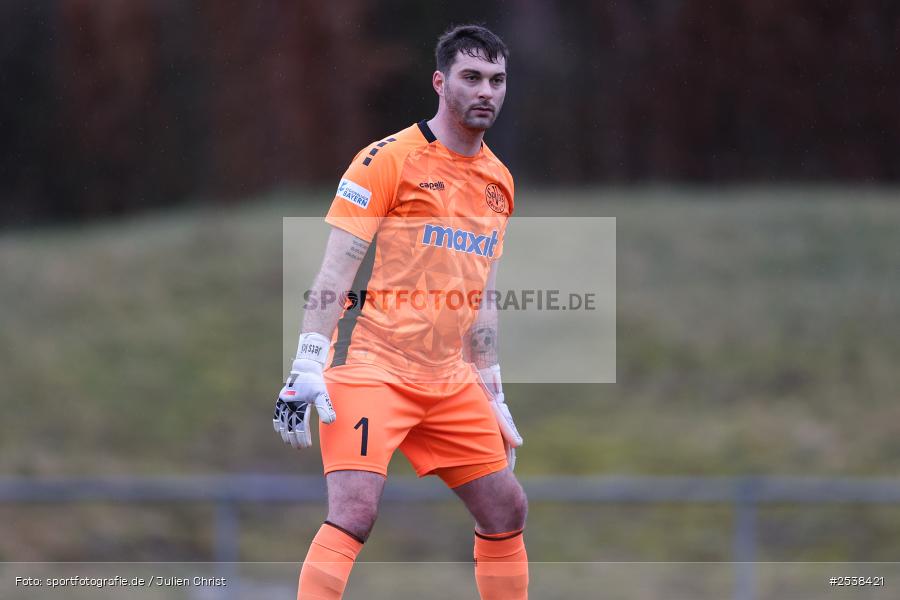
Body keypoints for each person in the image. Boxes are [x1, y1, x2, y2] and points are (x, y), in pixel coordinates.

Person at [273, 24, 528, 600]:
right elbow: (335, 274)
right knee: (354, 514)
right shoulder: (386, 160)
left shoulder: (500, 181)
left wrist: (491, 384)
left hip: (449, 378)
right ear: (441, 82)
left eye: (497, 79)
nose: (486, 90)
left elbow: (481, 289)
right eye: (471, 77)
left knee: (507, 508)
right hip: (377, 369)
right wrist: (308, 361)